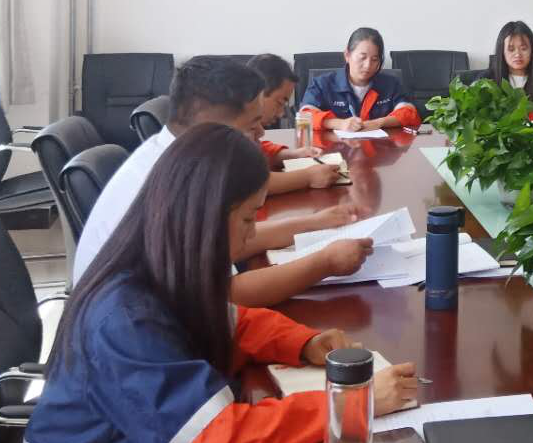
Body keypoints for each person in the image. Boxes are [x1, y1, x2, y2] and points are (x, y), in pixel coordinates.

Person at [9, 124, 418, 443]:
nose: (252, 233)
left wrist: (304, 341)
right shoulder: (124, 319)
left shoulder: (157, 273)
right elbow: (211, 441)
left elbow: (232, 323)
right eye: (247, 218)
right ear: (204, 218)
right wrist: (349, 407)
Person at [73, 57, 371, 304]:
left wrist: (315, 222)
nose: (261, 134)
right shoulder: (176, 185)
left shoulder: (173, 155)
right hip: (134, 344)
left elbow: (230, 244)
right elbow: (228, 296)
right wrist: (326, 262)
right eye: (252, 125)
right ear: (211, 126)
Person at [298, 28, 422, 135]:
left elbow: (409, 113)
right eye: (362, 58)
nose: (368, 65)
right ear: (347, 55)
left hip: (379, 150)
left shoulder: (390, 84)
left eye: (374, 59)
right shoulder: (322, 84)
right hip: (335, 150)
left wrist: (379, 123)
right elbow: (304, 116)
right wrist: (339, 124)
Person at [246, 53, 325, 179]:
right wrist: (309, 177)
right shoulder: (234, 127)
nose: (281, 113)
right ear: (259, 93)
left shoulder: (248, 130)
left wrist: (295, 154)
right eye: (280, 103)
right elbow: (252, 180)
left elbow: (259, 152)